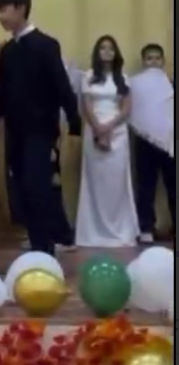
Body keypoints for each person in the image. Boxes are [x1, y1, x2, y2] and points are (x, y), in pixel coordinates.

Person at [0, 0, 80, 256]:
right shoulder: (7, 52)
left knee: (38, 187)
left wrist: (75, 121)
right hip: (15, 133)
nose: (0, 16)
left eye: (4, 9)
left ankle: (46, 248)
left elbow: (61, 85)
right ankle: (37, 247)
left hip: (41, 131)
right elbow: (3, 96)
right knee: (21, 190)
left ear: (21, 8)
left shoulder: (46, 45)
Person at [75, 35, 138, 247]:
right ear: (97, 52)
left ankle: (120, 230)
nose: (107, 51)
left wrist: (109, 126)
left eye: (111, 48)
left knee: (115, 183)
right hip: (93, 131)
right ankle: (93, 232)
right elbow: (86, 106)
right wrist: (98, 127)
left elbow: (126, 108)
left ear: (116, 53)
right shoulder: (89, 76)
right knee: (96, 182)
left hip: (118, 132)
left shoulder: (123, 78)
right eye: (103, 47)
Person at [129, 43, 174, 243]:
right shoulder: (135, 84)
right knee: (146, 185)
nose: (153, 62)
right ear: (143, 62)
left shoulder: (170, 83)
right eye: (149, 58)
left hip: (170, 142)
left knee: (173, 186)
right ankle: (146, 227)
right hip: (144, 141)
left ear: (163, 61)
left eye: (157, 58)